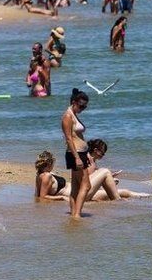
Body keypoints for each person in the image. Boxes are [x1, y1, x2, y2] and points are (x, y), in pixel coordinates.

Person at [61, 88, 90, 218]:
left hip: (79, 153)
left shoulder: (73, 114)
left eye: (85, 106)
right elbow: (68, 138)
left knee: (76, 186)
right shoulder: (67, 116)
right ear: (74, 102)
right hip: (76, 154)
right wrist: (77, 158)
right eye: (81, 105)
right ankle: (77, 215)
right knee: (86, 185)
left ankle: (74, 213)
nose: (83, 108)